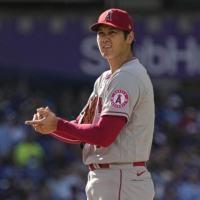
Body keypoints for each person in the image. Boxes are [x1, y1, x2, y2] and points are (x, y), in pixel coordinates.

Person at [25, 8, 155, 200]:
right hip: (109, 178)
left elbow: (104, 135)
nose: (104, 38)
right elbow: (80, 132)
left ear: (129, 37)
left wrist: (58, 125)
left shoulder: (127, 76)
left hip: (121, 179)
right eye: (101, 33)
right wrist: (52, 127)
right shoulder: (106, 78)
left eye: (113, 32)